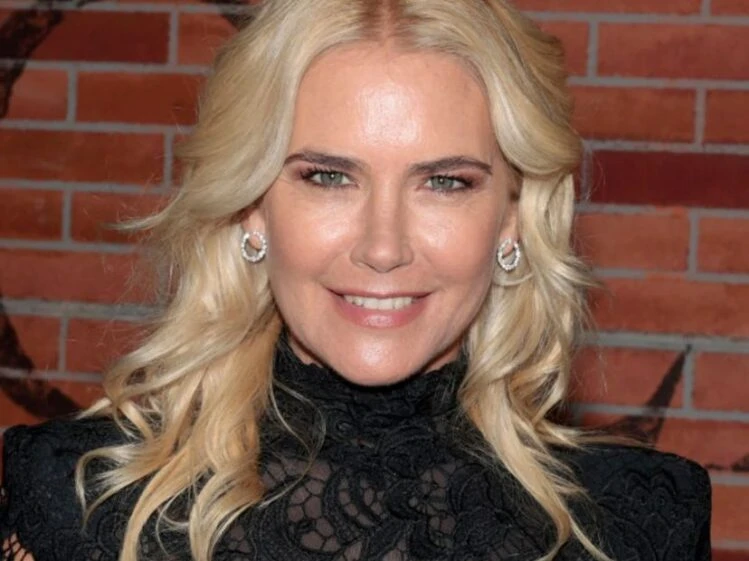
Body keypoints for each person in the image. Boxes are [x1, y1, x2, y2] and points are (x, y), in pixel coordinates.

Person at [0, 0, 711, 560]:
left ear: (512, 219)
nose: (382, 247)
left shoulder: (640, 522)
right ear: (252, 207)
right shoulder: (80, 504)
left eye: (444, 182)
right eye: (329, 177)